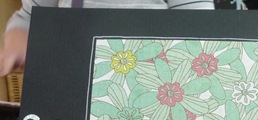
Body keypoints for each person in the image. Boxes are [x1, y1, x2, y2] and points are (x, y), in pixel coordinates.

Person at [0, 0, 215, 77]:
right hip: (71, 82)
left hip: (152, 83)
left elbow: (201, 28)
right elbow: (28, 18)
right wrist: (18, 43)